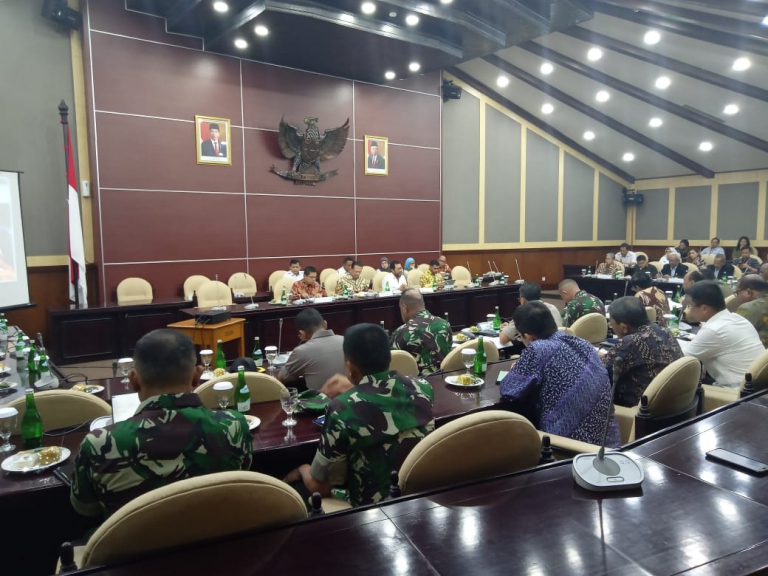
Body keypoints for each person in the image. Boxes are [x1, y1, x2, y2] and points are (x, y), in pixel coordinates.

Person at [70, 330, 252, 518]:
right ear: (197, 376)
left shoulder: (98, 444)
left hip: (134, 545)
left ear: (133, 382)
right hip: (217, 542)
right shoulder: (234, 426)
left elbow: (85, 508)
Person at [284, 324, 434, 507]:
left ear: (349, 367)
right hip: (420, 495)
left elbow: (320, 488)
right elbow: (383, 400)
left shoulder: (341, 408)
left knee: (299, 489)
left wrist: (301, 469)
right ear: (389, 357)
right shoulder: (423, 387)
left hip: (372, 510)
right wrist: (357, 388)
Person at [499, 302, 620, 446]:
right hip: (611, 445)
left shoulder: (538, 349)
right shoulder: (583, 343)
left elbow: (509, 389)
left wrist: (516, 369)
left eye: (520, 336)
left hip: (571, 449)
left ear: (528, 336)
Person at [678, 281, 764, 388]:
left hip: (736, 394)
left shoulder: (713, 329)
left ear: (704, 308)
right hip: (757, 388)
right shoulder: (737, 319)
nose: (689, 309)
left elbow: (680, 358)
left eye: (691, 305)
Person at [603, 297, 683, 407]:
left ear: (624, 327)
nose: (611, 328)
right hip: (672, 403)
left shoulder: (631, 342)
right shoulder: (665, 331)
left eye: (611, 325)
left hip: (640, 410)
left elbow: (601, 372)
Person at [278, 308, 345, 390]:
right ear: (325, 324)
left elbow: (281, 378)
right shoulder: (346, 340)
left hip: (321, 401)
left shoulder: (301, 351)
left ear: (302, 333)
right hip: (352, 399)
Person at [390, 288, 452, 374]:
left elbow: (393, 364)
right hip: (444, 380)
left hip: (418, 385)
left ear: (404, 307)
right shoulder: (444, 324)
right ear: (423, 304)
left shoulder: (402, 332)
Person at [734, 275, 768, 348]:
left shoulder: (747, 308)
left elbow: (734, 336)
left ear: (748, 292)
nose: (736, 297)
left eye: (737, 292)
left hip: (758, 356)